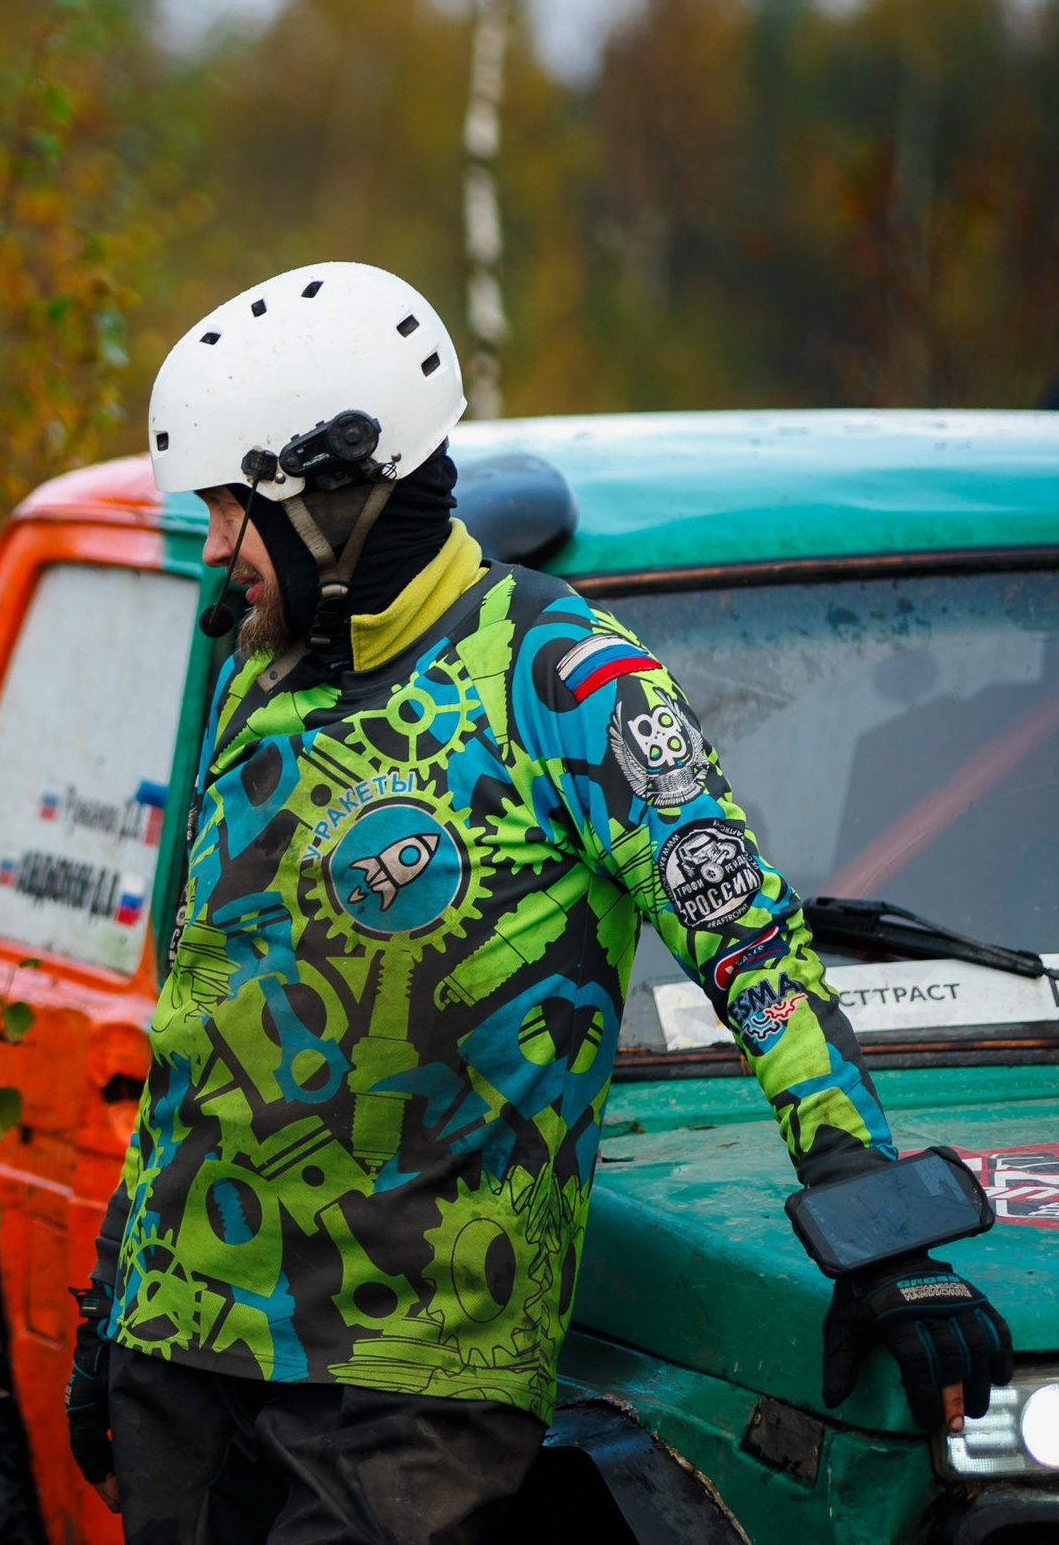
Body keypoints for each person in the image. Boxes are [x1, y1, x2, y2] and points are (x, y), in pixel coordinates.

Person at [61, 262, 1013, 1544]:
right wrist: (110, 1296)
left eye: (235, 507)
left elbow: (750, 943)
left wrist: (875, 1216)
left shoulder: (559, 676)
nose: (218, 547)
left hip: (405, 1376)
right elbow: (203, 1008)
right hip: (181, 1344)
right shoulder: (261, 672)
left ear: (336, 499)